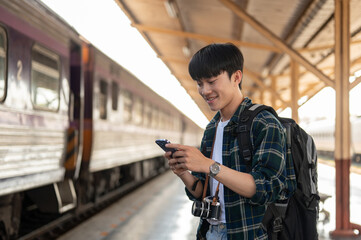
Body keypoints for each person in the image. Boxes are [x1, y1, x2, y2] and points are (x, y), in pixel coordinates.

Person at [165, 43, 288, 240]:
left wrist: (210, 166)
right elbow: (201, 190)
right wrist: (183, 173)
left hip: (247, 234)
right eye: (199, 83)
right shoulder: (211, 129)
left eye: (212, 81)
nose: (205, 90)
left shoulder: (264, 123)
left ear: (236, 77)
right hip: (211, 232)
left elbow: (267, 188)